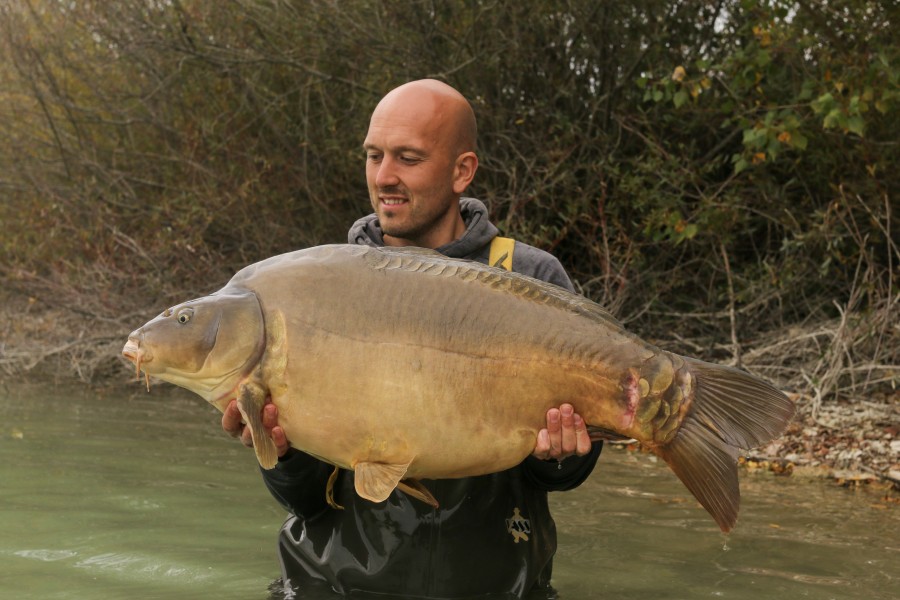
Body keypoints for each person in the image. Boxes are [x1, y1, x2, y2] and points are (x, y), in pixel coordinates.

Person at [222, 79, 603, 599]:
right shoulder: (318, 287)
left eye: (408, 158)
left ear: (462, 171)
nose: (384, 177)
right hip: (331, 587)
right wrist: (281, 453)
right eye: (374, 156)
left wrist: (558, 453)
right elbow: (307, 501)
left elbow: (560, 477)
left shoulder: (530, 278)